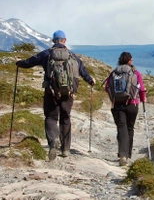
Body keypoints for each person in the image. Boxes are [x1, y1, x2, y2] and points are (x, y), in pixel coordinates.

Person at [16, 30, 95, 161]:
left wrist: (19, 62)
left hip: (51, 92)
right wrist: (91, 81)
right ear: (65, 40)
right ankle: (65, 149)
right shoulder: (72, 56)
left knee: (51, 117)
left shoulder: (47, 54)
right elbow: (83, 71)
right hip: (68, 93)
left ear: (53, 41)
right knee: (65, 117)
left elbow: (30, 62)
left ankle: (53, 141)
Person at [110, 52, 146, 166]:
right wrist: (143, 100)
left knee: (121, 129)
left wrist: (113, 99)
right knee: (130, 128)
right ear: (129, 61)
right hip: (132, 104)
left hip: (118, 104)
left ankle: (122, 155)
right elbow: (141, 89)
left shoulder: (114, 72)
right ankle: (128, 154)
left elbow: (107, 87)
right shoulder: (135, 73)